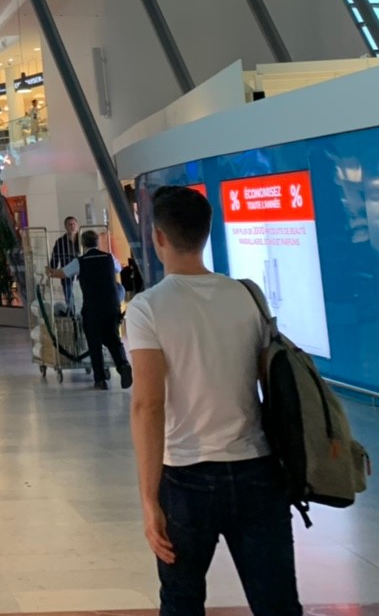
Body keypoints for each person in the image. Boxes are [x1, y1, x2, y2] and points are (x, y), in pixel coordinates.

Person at [126, 185, 300, 616]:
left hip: (185, 477)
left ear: (158, 237)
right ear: (206, 233)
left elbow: (148, 405)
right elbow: (269, 382)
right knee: (277, 604)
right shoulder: (248, 295)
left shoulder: (147, 308)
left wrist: (149, 499)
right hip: (258, 469)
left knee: (182, 601)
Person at [63, 230, 129, 389]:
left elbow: (63, 273)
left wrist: (50, 272)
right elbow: (118, 269)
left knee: (94, 343)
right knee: (113, 338)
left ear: (82, 244)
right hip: (112, 305)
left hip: (92, 308)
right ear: (97, 242)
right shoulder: (109, 257)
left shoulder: (80, 261)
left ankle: (100, 380)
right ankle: (123, 365)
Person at [50, 215, 81, 308]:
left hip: (81, 269)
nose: (72, 226)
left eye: (74, 224)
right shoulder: (60, 241)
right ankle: (71, 310)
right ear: (65, 227)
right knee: (68, 292)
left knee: (82, 291)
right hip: (66, 269)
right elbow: (55, 256)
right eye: (69, 224)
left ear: (77, 225)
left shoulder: (82, 239)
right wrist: (52, 269)